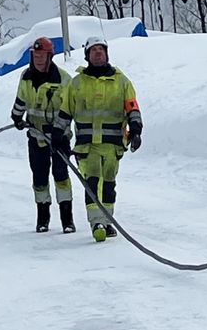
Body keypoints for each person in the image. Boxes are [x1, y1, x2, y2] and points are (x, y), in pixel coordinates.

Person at [54, 36, 142, 243]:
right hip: (87, 145)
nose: (98, 53)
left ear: (107, 53)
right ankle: (96, 223)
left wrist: (136, 130)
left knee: (109, 183)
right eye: (94, 51)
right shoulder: (76, 84)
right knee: (92, 182)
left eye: (101, 50)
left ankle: (107, 220)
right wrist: (58, 135)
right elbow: (65, 111)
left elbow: (132, 108)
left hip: (113, 145)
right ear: (87, 55)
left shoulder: (121, 81)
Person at [11, 37, 75, 234]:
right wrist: (16, 116)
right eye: (35, 56)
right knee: (39, 178)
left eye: (42, 56)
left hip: (59, 138)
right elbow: (21, 98)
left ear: (50, 56)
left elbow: (69, 108)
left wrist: (58, 131)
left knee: (61, 176)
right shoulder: (26, 77)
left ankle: (67, 219)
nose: (38, 59)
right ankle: (43, 217)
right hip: (36, 136)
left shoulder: (64, 80)